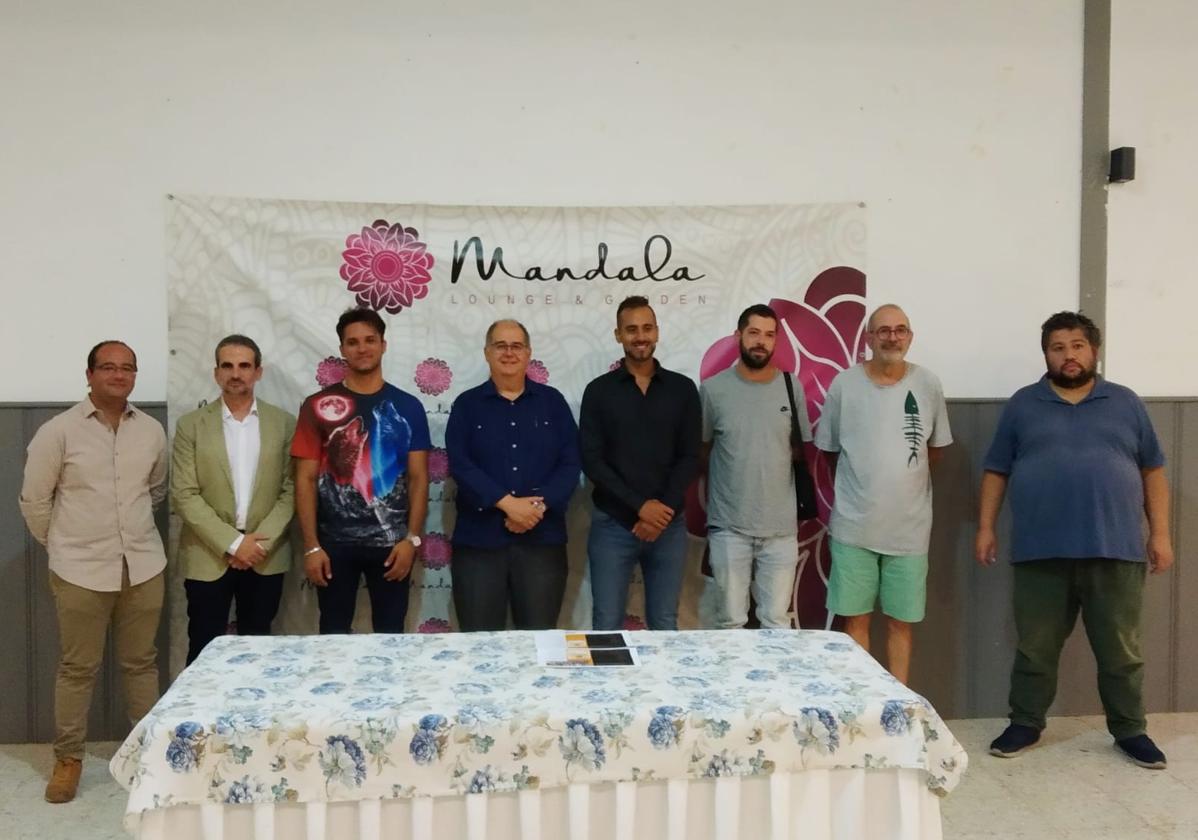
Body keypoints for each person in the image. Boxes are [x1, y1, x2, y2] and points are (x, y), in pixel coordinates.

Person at [977, 311, 1174, 769]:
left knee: (1121, 652)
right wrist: (985, 527)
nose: (1069, 355)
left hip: (1116, 548)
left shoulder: (1125, 402)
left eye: (1077, 346)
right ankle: (1026, 722)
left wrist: (1161, 534)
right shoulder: (1023, 404)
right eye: (1058, 347)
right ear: (1046, 354)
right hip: (1039, 551)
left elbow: (1153, 470)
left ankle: (1130, 730)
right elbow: (996, 470)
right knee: (1035, 649)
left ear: (1094, 351)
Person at [19, 341, 167, 803]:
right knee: (77, 668)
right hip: (79, 570)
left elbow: (155, 490)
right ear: (89, 375)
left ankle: (148, 757)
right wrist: (65, 545)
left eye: (127, 368)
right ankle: (68, 760)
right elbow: (35, 501)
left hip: (142, 566)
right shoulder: (58, 431)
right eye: (108, 367)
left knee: (141, 664)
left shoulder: (152, 432)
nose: (118, 375)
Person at [815, 304, 952, 684]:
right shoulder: (844, 385)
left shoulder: (928, 384)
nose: (893, 337)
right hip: (854, 529)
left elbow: (934, 451)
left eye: (900, 330)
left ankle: (898, 706)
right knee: (855, 622)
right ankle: (862, 701)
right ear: (869, 338)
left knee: (901, 624)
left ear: (910, 336)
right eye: (884, 330)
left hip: (909, 531)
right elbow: (830, 451)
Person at [292, 308, 430, 633]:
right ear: (342, 349)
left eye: (370, 340)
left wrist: (411, 539)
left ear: (383, 345)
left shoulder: (408, 406)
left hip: (393, 546)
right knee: (333, 634)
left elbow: (419, 478)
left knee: (391, 634)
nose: (362, 348)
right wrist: (311, 545)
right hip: (333, 547)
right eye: (353, 342)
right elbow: (305, 479)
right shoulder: (316, 406)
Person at [445, 319, 580, 630]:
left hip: (542, 542)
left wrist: (535, 508)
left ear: (528, 353)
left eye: (516, 346)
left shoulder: (553, 403)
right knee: (479, 643)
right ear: (487, 353)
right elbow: (461, 465)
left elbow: (570, 463)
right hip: (478, 545)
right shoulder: (466, 405)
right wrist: (508, 504)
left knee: (539, 641)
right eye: (500, 346)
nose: (509, 353)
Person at [171, 335, 296, 664]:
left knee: (258, 651)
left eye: (244, 366)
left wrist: (254, 546)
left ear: (258, 372)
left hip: (263, 555)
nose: (236, 373)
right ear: (216, 373)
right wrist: (233, 543)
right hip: (208, 554)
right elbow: (184, 493)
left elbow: (291, 490)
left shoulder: (284, 423)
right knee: (204, 650)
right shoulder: (190, 426)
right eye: (227, 366)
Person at [580, 296, 700, 630]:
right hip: (613, 525)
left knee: (665, 621)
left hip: (669, 526)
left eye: (647, 328)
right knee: (607, 623)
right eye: (631, 329)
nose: (640, 336)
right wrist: (640, 506)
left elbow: (690, 456)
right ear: (618, 335)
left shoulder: (682, 389)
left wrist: (660, 511)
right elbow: (592, 460)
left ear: (657, 332)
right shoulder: (598, 391)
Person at [700, 304, 812, 629]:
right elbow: (703, 450)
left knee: (776, 624)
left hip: (781, 530)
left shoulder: (791, 386)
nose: (761, 341)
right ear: (738, 336)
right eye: (754, 333)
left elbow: (800, 449)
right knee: (730, 623)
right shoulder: (713, 390)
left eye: (769, 335)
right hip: (728, 528)